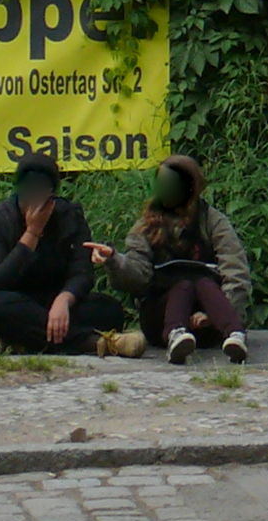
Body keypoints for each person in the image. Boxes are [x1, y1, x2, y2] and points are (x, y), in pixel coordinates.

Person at [0, 152, 141, 356]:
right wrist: (32, 233)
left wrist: (64, 300)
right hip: (12, 301)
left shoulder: (69, 216)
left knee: (110, 310)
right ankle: (95, 343)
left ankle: (15, 342)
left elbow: (82, 272)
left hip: (52, 298)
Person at [92, 152, 256, 364]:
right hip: (160, 319)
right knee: (183, 285)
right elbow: (137, 277)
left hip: (207, 320)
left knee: (204, 282)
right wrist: (114, 260)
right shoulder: (146, 226)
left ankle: (234, 334)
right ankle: (176, 335)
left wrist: (213, 314)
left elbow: (236, 271)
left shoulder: (213, 222)